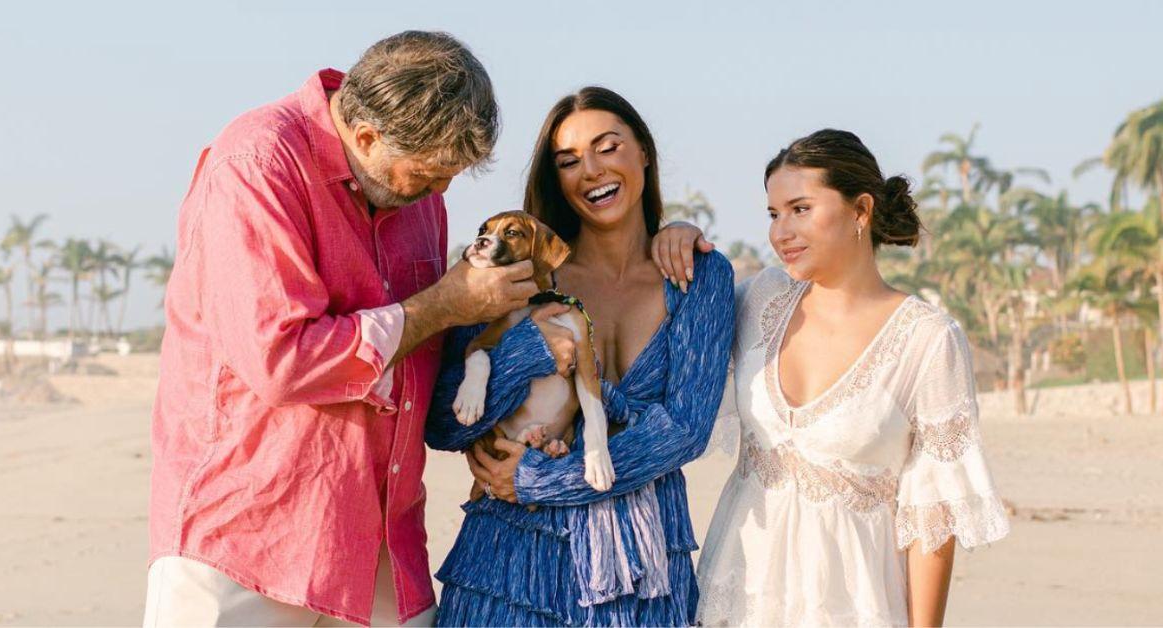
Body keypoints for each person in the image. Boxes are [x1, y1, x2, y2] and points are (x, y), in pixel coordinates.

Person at [145, 31, 539, 626]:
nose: (441, 193)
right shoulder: (256, 164)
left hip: (382, 542)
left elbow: (427, 357)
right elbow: (282, 360)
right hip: (246, 541)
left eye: (451, 177)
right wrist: (443, 306)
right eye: (429, 174)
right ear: (365, 137)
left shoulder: (419, 194)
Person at [672, 129, 1009, 627]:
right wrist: (674, 232)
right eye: (773, 213)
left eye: (800, 209)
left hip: (855, 604)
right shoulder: (760, 299)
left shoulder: (927, 339)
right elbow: (672, 334)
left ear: (861, 211)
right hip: (739, 593)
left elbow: (931, 518)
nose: (780, 231)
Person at [424, 86, 735, 626]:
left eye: (607, 147)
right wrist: (526, 351)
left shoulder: (699, 277)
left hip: (641, 572)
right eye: (568, 161)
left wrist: (541, 480)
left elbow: (685, 429)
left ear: (644, 152)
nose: (590, 170)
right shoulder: (507, 277)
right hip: (506, 570)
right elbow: (443, 427)